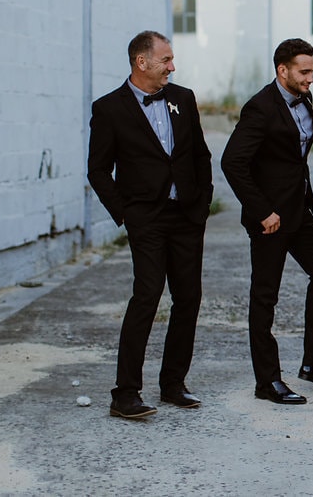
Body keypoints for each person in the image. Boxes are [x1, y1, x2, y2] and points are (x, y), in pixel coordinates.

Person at [87, 30, 213, 419]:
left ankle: (173, 384)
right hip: (147, 219)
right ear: (142, 63)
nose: (172, 67)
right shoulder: (109, 109)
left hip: (186, 216)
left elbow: (200, 154)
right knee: (147, 296)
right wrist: (125, 213)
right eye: (166, 60)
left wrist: (201, 203)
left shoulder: (183, 98)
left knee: (188, 298)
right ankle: (125, 393)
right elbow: (98, 170)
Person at [220, 38, 313, 405]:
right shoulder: (259, 108)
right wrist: (261, 211)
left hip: (298, 211)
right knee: (265, 297)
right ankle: (267, 381)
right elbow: (232, 163)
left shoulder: (303, 99)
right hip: (269, 218)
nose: (311, 79)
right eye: (304, 72)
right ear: (282, 70)